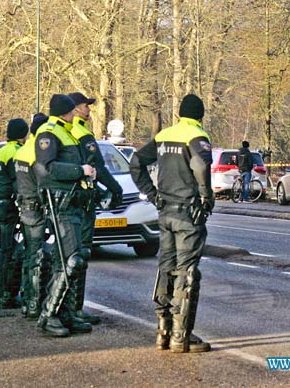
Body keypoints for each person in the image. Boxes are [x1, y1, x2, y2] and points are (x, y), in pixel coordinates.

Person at [130, 94, 213, 353]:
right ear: (200, 115)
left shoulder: (165, 135)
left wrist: (152, 194)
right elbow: (200, 164)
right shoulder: (196, 136)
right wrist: (205, 195)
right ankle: (181, 335)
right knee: (186, 272)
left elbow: (136, 163)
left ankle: (163, 332)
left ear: (179, 113)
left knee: (165, 268)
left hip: (165, 212)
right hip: (188, 213)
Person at [34, 94, 97, 337]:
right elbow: (45, 170)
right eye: (72, 111)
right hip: (61, 204)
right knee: (70, 260)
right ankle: (48, 315)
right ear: (64, 112)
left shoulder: (66, 131)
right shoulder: (50, 133)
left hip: (74, 202)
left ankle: (65, 313)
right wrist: (78, 170)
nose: (75, 114)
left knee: (72, 260)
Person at [68, 91, 123, 325]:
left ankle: (67, 308)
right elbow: (97, 165)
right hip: (82, 202)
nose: (89, 110)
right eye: (85, 106)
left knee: (69, 254)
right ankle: (75, 309)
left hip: (69, 199)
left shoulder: (64, 131)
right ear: (76, 109)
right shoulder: (81, 133)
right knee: (81, 253)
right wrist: (115, 189)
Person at [15, 112, 49, 320]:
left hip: (25, 207)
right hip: (38, 208)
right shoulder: (39, 151)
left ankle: (27, 299)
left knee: (29, 255)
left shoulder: (23, 150)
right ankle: (36, 303)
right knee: (39, 256)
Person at [0, 118, 29, 308]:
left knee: (5, 250)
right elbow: (19, 182)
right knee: (15, 252)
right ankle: (9, 293)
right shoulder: (17, 152)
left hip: (2, 203)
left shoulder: (0, 152)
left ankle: (3, 291)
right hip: (14, 206)